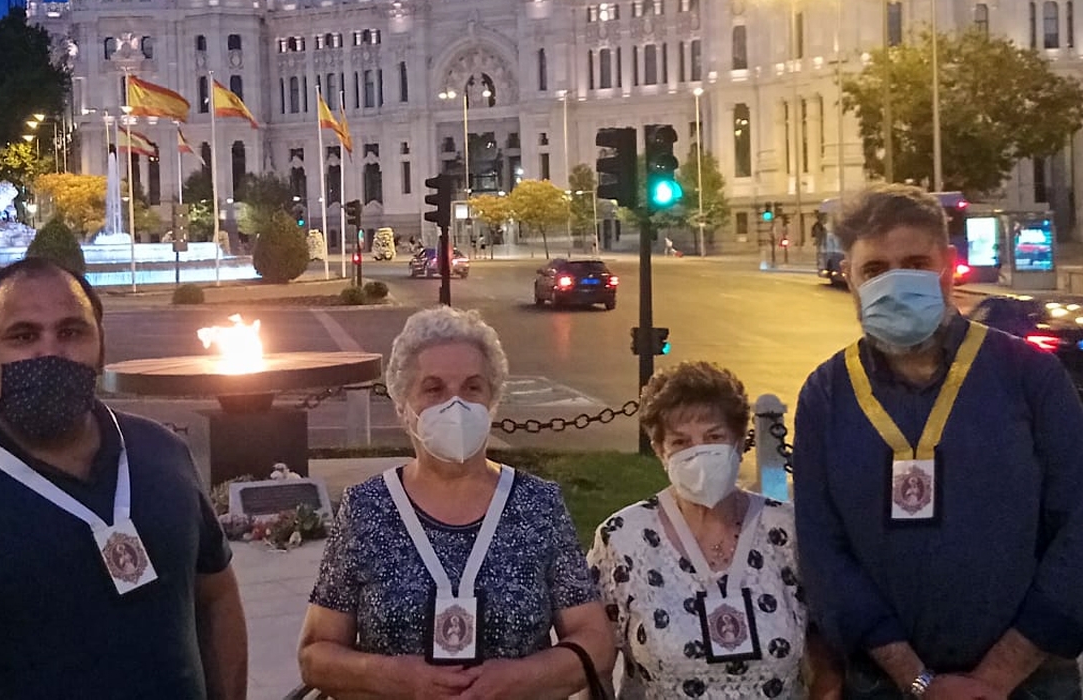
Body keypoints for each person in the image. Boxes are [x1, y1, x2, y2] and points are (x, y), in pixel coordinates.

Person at [0, 257, 248, 699]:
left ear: (102, 346)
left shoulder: (162, 455)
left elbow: (218, 594)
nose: (50, 352)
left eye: (72, 332)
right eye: (23, 335)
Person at [793, 184, 1083, 699]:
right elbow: (823, 552)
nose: (895, 284)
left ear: (949, 264)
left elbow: (1078, 532)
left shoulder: (1030, 377)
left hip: (1029, 684)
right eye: (875, 270)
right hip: (883, 685)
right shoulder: (826, 394)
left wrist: (995, 678)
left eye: (914, 263)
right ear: (851, 278)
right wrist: (917, 679)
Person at [299, 306, 613, 698]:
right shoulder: (367, 508)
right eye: (434, 389)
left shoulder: (539, 505)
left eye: (472, 388)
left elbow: (595, 642)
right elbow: (315, 654)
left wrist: (520, 679)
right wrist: (394, 677)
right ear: (403, 407)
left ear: (492, 400)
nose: (456, 404)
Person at [589, 361, 840, 698]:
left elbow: (827, 657)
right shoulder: (622, 539)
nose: (698, 453)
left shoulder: (789, 530)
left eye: (713, 437)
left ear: (739, 440)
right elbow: (596, 667)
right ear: (660, 451)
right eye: (680, 442)